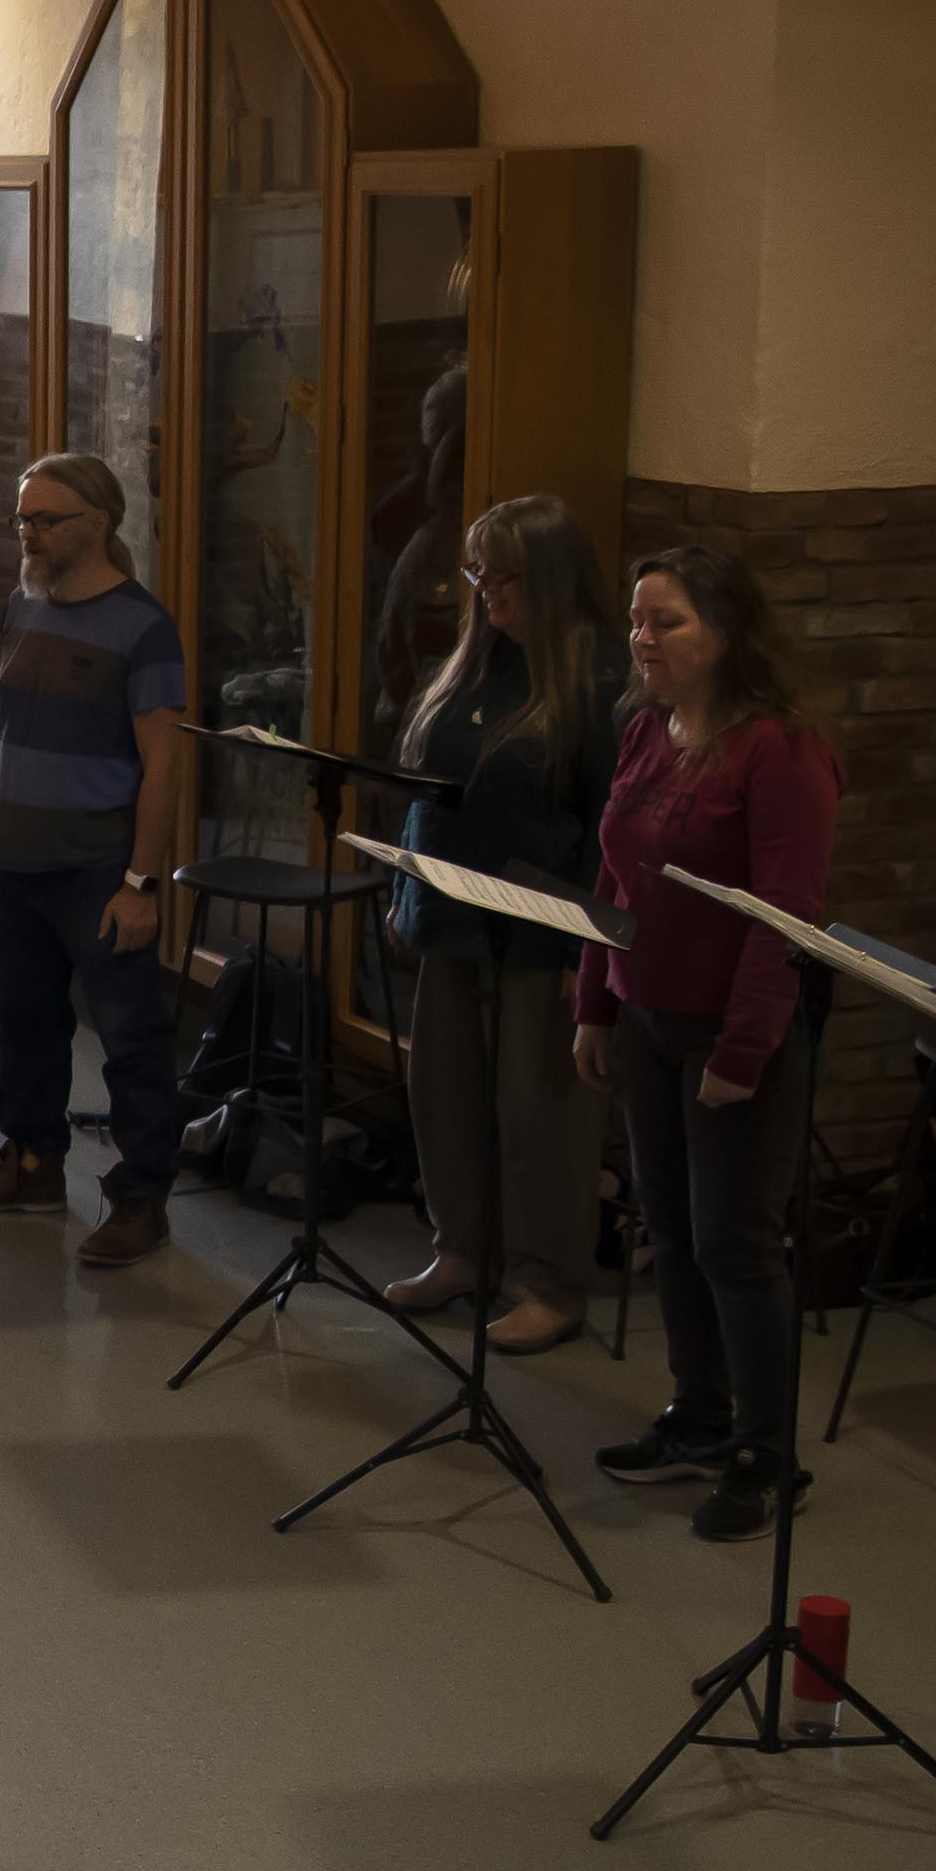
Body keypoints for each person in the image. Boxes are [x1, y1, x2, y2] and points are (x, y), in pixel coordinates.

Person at [568, 544, 843, 1543]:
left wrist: (742, 1048)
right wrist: (593, 1003)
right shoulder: (646, 727)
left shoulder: (778, 747)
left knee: (733, 1241)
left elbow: (786, 912)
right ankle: (699, 1414)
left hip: (733, 1029)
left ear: (726, 631)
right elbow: (615, 882)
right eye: (636, 620)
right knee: (669, 1229)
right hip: (644, 1013)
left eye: (665, 621)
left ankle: (767, 1454)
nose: (641, 639)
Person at [0, 451, 193, 1265]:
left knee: (128, 1036)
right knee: (24, 1022)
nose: (30, 535)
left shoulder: (143, 627)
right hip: (15, 860)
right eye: (24, 520)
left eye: (46, 520)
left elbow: (166, 764)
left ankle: (142, 1196)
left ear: (99, 524)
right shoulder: (22, 605)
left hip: (96, 868)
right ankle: (34, 1163)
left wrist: (141, 882)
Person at [381, 497, 622, 1354]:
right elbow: (431, 789)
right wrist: (408, 895)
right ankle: (461, 1249)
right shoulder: (472, 669)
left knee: (538, 1109)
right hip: (452, 915)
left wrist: (586, 948)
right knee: (444, 1090)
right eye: (478, 573)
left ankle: (551, 1282)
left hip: (543, 931)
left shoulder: (600, 687)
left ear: (553, 579)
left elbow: (609, 827)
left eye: (504, 575)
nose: (486, 592)